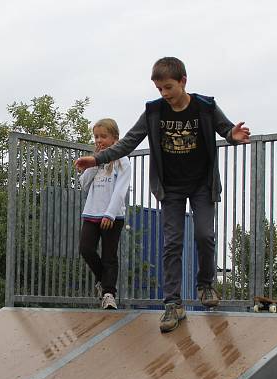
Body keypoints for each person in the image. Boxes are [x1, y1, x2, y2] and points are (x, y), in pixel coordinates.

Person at [75, 57, 250, 332]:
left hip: (202, 185)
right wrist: (96, 160)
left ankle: (205, 286)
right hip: (171, 188)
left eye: (168, 87)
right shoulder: (154, 111)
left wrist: (232, 136)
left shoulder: (205, 107)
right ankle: (172, 304)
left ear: (183, 81)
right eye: (159, 89)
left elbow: (226, 128)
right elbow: (128, 142)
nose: (164, 94)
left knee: (204, 234)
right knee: (172, 243)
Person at [78, 118, 132, 310]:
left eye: (103, 136)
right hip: (92, 213)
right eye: (96, 137)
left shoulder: (122, 161)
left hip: (112, 217)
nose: (99, 140)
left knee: (109, 256)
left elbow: (120, 190)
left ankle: (109, 294)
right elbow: (83, 185)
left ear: (115, 139)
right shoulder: (96, 161)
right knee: (85, 248)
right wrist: (94, 163)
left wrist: (109, 214)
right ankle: (103, 280)